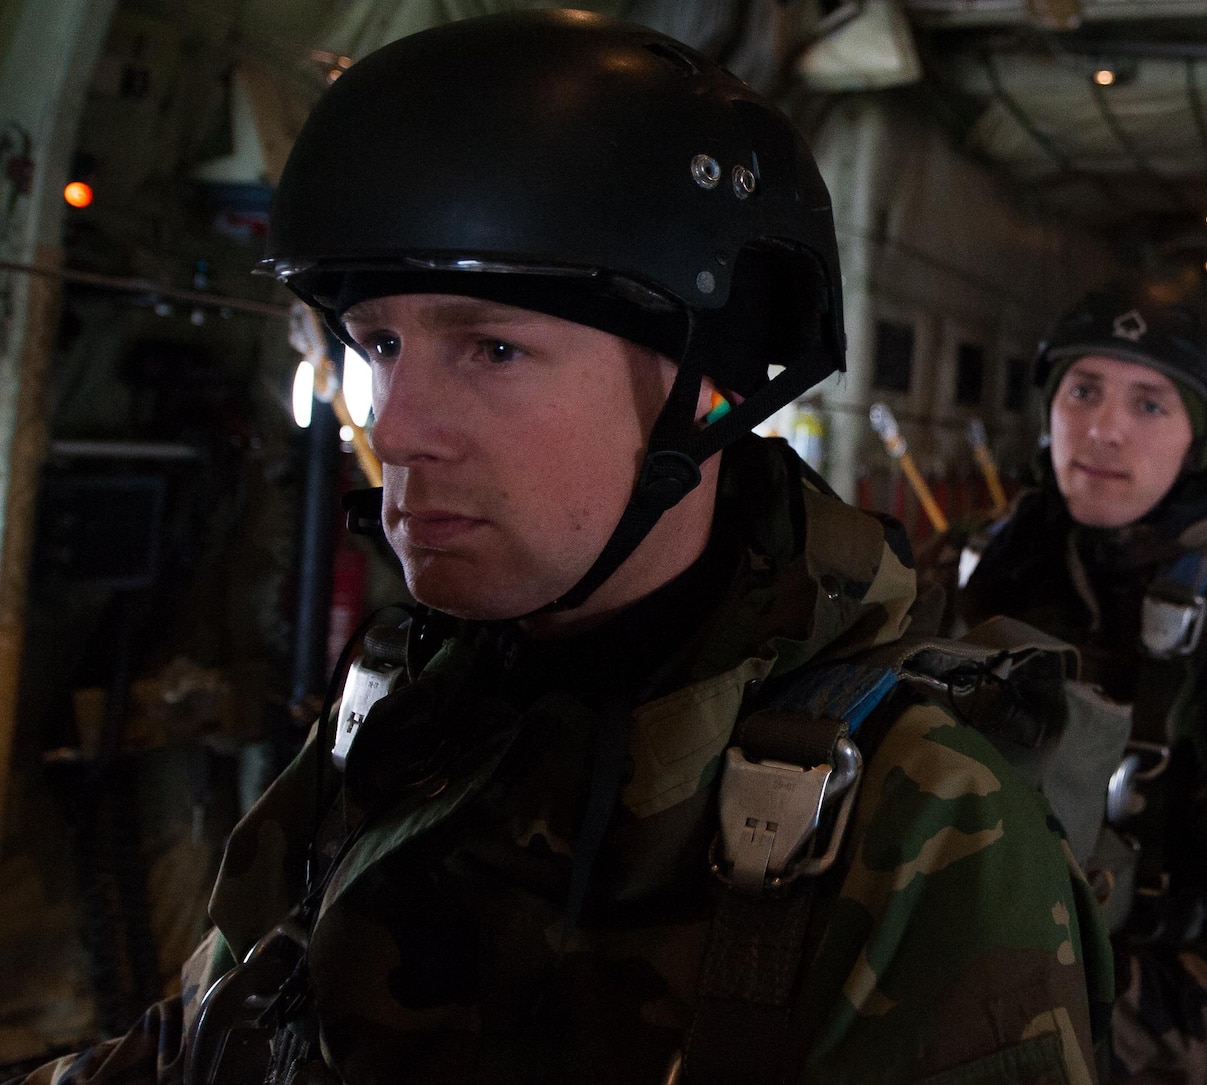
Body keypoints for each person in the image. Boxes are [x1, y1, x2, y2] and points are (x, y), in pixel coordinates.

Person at [15, 14, 1105, 1085]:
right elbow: (220, 1035)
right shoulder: (408, 700)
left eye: (491, 347)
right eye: (380, 344)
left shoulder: (911, 816)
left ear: (705, 394)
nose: (394, 427)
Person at [958, 289, 1207, 1083]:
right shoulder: (970, 572)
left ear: (1200, 437)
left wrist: (1048, 1027)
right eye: (1083, 390)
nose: (1104, 428)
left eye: (1150, 403)